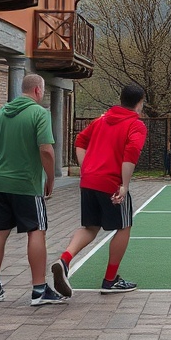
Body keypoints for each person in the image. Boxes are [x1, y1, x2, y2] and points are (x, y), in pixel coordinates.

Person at [51, 82, 147, 296]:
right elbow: (131, 154)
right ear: (140, 103)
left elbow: (80, 141)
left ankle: (64, 260)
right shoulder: (136, 125)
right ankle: (110, 280)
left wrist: (86, 168)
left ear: (121, 99)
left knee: (90, 227)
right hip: (111, 183)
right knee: (124, 226)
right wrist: (124, 186)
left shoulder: (101, 120)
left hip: (89, 181)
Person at [0, 73, 65, 306]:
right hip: (27, 184)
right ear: (38, 90)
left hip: (0, 183)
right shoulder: (39, 113)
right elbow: (46, 150)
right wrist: (50, 178)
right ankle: (39, 290)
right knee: (36, 230)